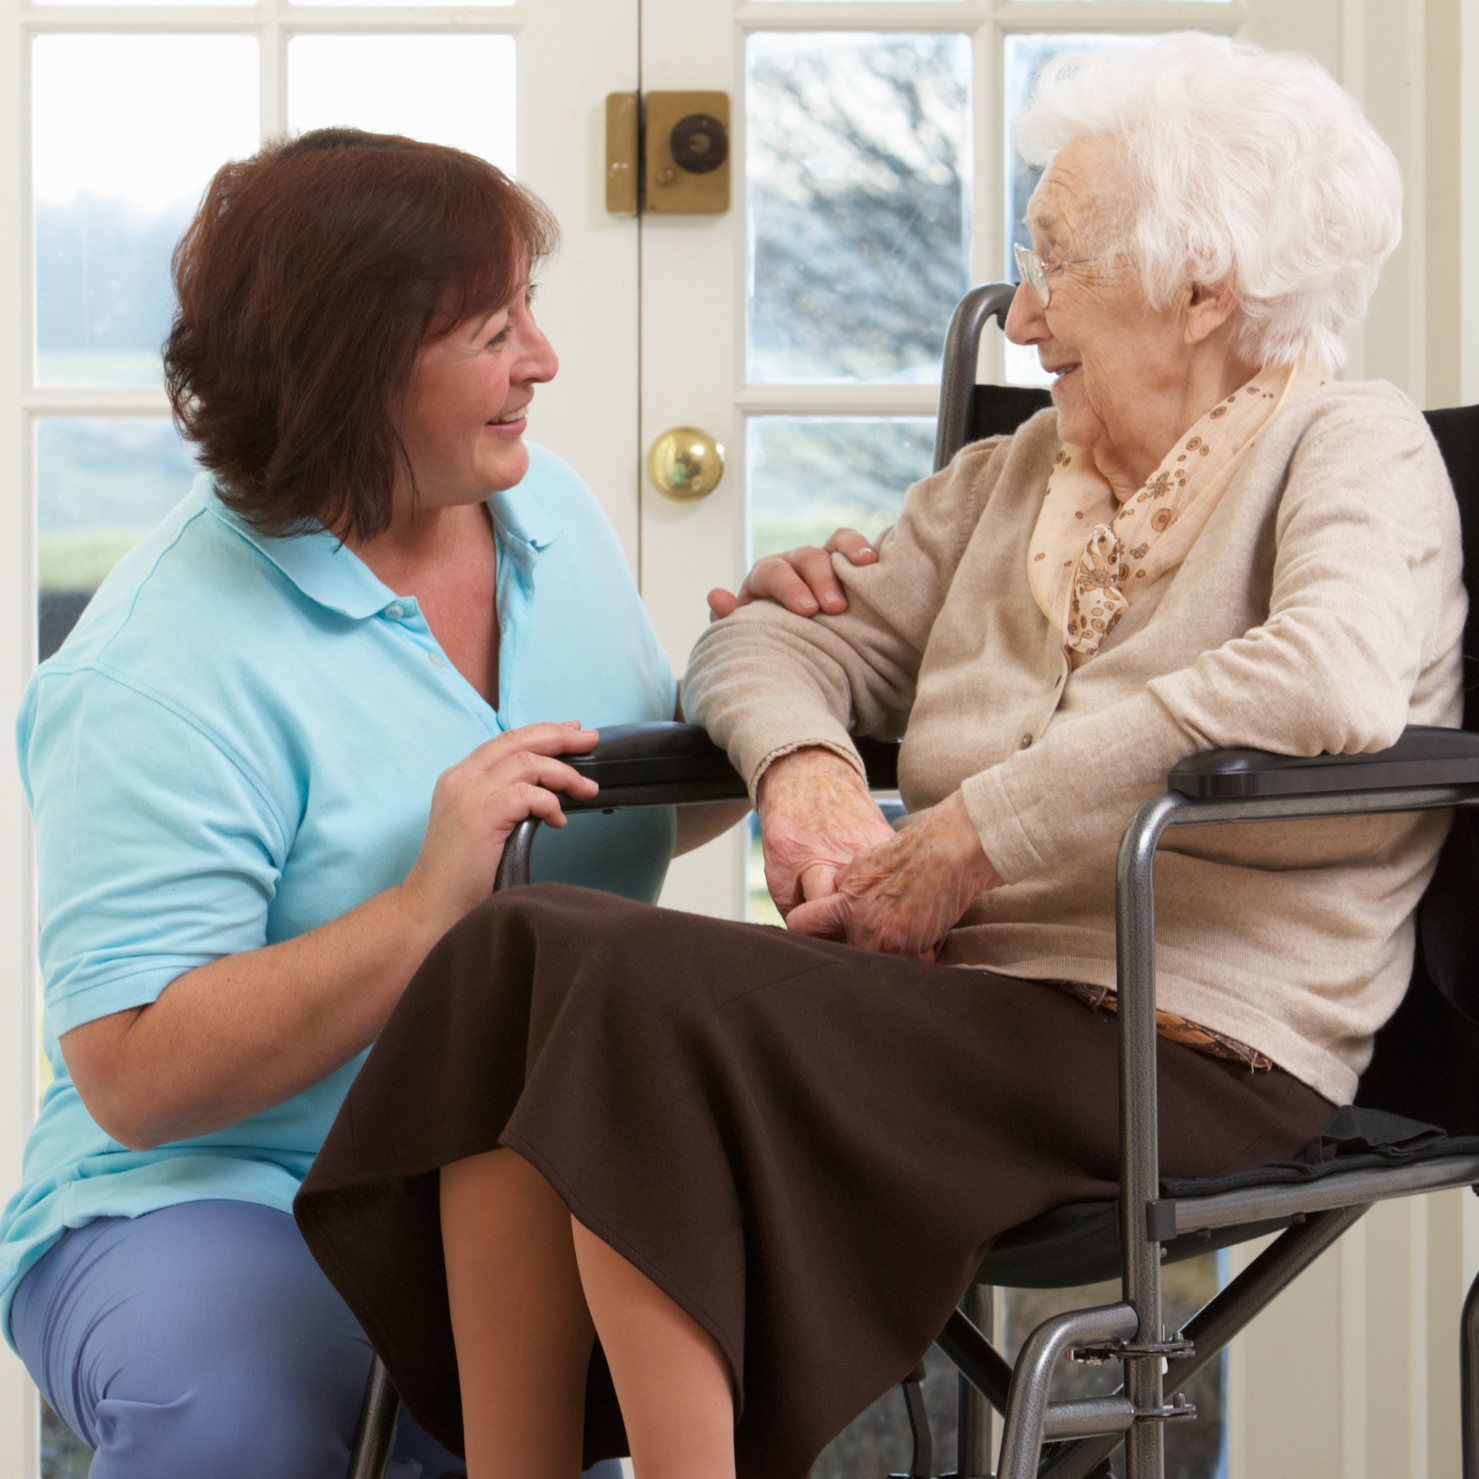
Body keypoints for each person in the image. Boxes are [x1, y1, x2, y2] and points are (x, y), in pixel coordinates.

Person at [294, 34, 1466, 1479]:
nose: (1026, 314)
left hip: (1186, 1044)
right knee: (515, 947)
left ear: (1204, 287)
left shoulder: (1353, 445)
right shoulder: (1014, 476)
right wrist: (809, 774)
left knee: (643, 1000)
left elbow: (1328, 679)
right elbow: (761, 646)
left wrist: (973, 832)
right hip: (946, 1016)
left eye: (1060, 261)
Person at [0, 129, 840, 1479]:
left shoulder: (541, 512)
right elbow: (136, 1078)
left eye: (532, 313)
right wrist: (417, 913)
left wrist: (782, 690)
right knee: (254, 1416)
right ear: (356, 367)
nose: (544, 362)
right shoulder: (156, 667)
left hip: (523, 1164)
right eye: (494, 329)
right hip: (221, 1193)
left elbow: (625, 817)